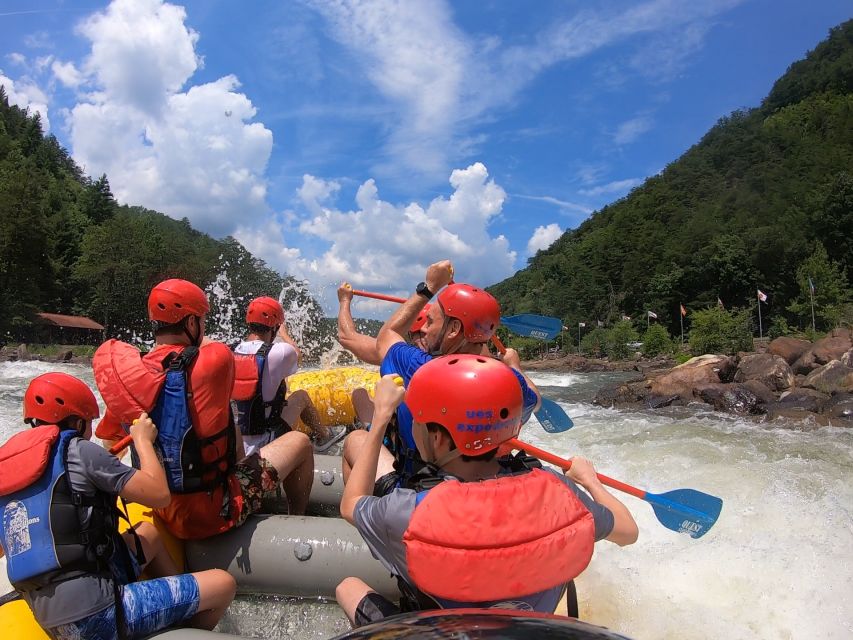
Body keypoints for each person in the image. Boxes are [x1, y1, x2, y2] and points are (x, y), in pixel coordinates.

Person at [336, 357, 639, 626]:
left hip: (445, 633)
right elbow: (628, 532)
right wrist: (590, 481)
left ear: (438, 438)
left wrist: (380, 417)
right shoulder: (560, 491)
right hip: (529, 631)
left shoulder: (409, 512)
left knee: (347, 587)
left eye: (418, 420)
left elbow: (351, 504)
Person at [0, 372, 236, 640]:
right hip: (99, 615)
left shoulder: (9, 469)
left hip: (50, 614)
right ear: (78, 423)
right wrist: (143, 441)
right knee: (223, 584)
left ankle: (181, 607)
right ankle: (186, 629)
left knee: (149, 535)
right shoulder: (79, 450)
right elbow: (159, 495)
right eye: (88, 423)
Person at [94, 278, 315, 540]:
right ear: (191, 323)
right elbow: (206, 348)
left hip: (160, 507)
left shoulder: (127, 382)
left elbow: (110, 441)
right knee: (300, 442)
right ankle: (297, 518)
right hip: (213, 512)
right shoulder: (216, 361)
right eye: (202, 319)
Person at [341, 260, 541, 494]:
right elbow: (535, 400)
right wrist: (514, 366)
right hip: (488, 486)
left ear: (454, 329)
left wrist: (429, 287)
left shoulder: (419, 366)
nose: (424, 330)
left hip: (420, 489)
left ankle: (366, 510)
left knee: (355, 439)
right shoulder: (508, 381)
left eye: (430, 322)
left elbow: (388, 335)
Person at [232, 295, 328, 455]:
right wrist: (284, 334)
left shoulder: (230, 350)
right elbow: (297, 355)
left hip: (235, 444)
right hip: (266, 440)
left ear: (249, 323)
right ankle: (325, 435)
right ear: (275, 327)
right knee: (301, 397)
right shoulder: (279, 352)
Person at [336, 282, 431, 366]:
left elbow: (346, 337)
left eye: (411, 335)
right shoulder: (436, 357)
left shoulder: (410, 359)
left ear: (422, 331)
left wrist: (344, 300)